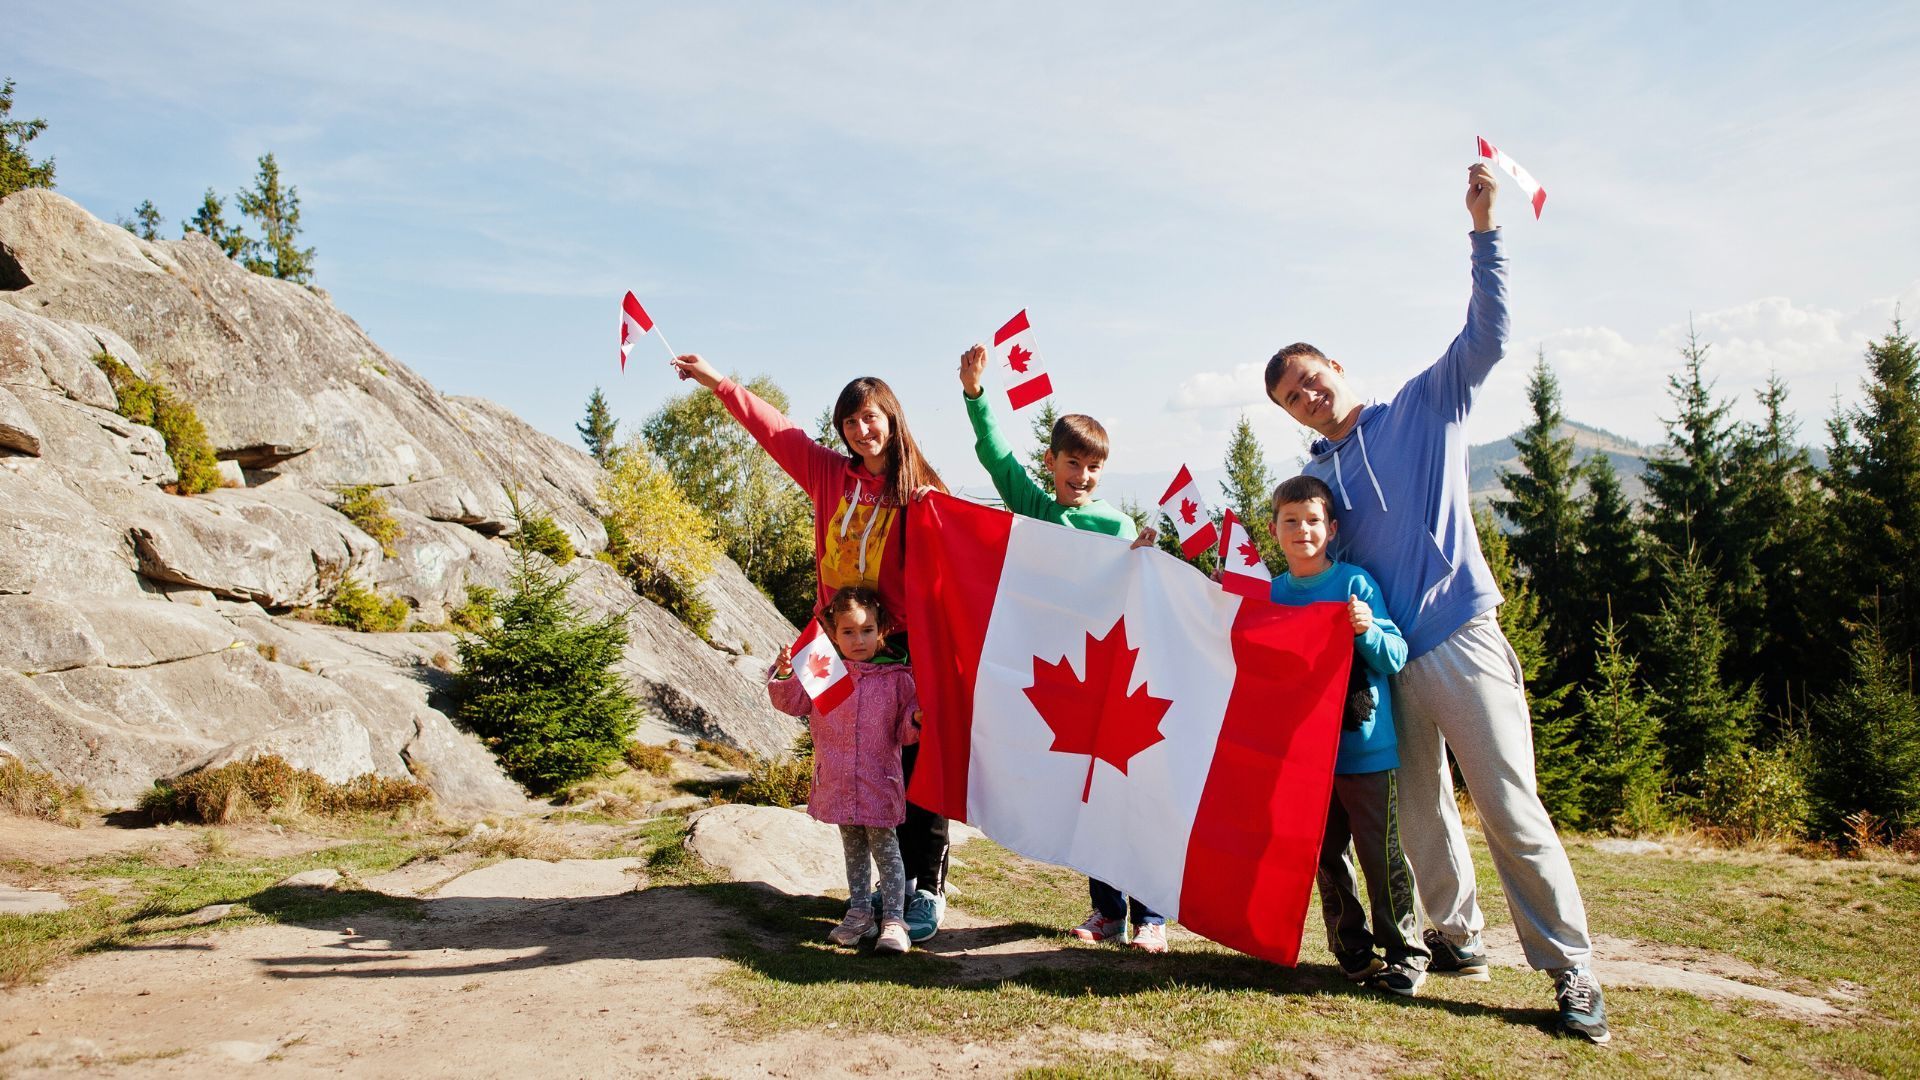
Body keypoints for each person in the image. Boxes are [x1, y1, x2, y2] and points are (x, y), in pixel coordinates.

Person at [1259, 164, 1609, 1043]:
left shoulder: (1424, 403)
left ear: (1335, 365)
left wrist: (1485, 232)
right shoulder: (1321, 482)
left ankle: (1571, 972)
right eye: (1289, 396)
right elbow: (1296, 571)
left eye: (1310, 378)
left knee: (1507, 805)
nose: (1307, 395)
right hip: (1386, 661)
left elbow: (1486, 336)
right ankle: (1457, 936)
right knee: (1420, 813)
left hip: (1460, 636)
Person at [670, 355, 953, 943]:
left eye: (870, 418)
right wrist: (717, 381)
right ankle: (871, 894)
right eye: (849, 421)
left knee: (910, 764)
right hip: (829, 641)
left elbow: (963, 554)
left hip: (899, 648)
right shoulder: (829, 475)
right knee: (844, 758)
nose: (860, 430)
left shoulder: (921, 490)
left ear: (892, 420)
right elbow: (776, 430)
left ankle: (922, 890)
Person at [955, 343, 1168, 953]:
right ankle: (1107, 913)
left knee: (1130, 793)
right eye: (1072, 463)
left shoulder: (1118, 528)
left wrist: (1146, 559)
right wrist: (976, 394)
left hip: (1118, 676)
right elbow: (996, 458)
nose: (1082, 476)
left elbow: (1143, 596)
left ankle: (1151, 914)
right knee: (1092, 796)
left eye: (1093, 467)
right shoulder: (1037, 508)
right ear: (1051, 463)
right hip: (1067, 679)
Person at [1262, 475, 1429, 995]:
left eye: (1312, 520)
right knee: (1326, 856)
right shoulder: (1272, 594)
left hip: (1365, 749)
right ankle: (1350, 950)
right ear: (1274, 531)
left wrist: (1367, 630)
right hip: (1304, 758)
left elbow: (1395, 656)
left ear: (1331, 528)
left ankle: (1406, 953)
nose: (1302, 530)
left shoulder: (1356, 585)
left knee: (1380, 854)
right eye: (1291, 521)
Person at [768, 586, 922, 953]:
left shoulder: (897, 678)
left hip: (878, 782)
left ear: (881, 630)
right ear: (833, 635)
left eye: (867, 630)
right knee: (853, 850)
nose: (858, 639)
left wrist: (916, 719)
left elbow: (904, 732)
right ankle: (859, 915)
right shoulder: (824, 671)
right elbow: (792, 702)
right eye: (848, 632)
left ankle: (895, 920)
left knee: (887, 851)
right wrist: (787, 672)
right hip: (837, 781)